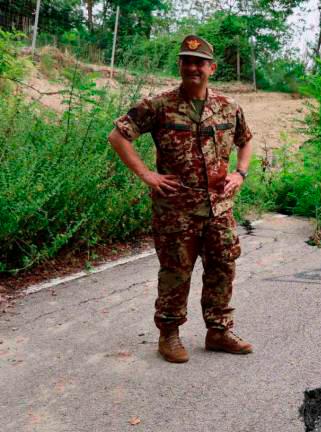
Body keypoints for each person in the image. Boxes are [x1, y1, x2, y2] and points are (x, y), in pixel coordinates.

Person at [107, 35, 254, 363]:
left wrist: (240, 174)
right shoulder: (159, 106)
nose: (192, 67)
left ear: (211, 68)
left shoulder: (229, 107)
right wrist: (148, 175)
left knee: (222, 267)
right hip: (176, 210)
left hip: (219, 208)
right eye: (186, 61)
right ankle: (169, 335)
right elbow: (118, 136)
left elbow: (245, 141)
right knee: (175, 271)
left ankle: (218, 331)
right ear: (180, 65)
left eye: (199, 62)